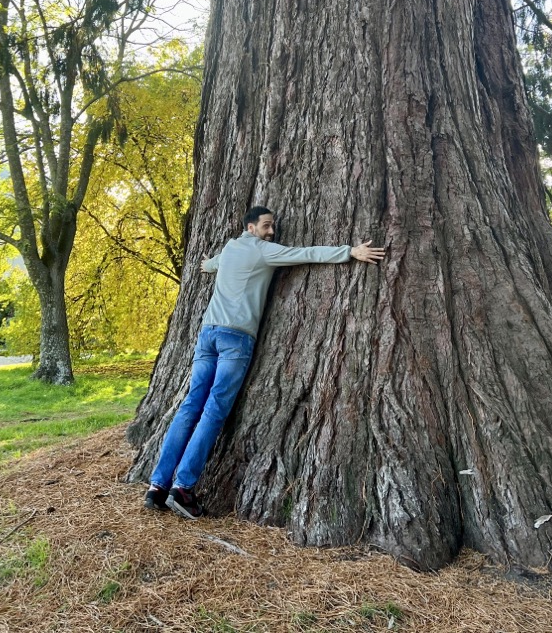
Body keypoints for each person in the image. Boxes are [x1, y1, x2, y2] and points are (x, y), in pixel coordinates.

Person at [144, 205, 385, 519]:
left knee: (191, 406)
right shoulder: (262, 252)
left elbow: (212, 265)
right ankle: (183, 488)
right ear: (250, 227)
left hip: (208, 333)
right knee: (213, 410)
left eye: (272, 227)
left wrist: (205, 265)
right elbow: (306, 253)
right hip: (235, 338)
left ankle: (157, 486)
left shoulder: (230, 249)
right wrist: (350, 251)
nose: (271, 232)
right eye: (266, 226)